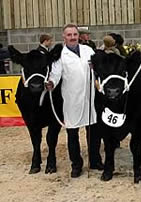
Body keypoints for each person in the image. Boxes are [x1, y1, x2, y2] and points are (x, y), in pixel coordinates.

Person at [46, 23, 103, 178]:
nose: (72, 37)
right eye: (69, 35)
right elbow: (55, 74)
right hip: (72, 99)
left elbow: (99, 67)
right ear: (64, 37)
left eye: (74, 35)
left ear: (78, 36)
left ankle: (95, 160)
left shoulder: (88, 50)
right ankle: (76, 165)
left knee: (93, 132)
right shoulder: (61, 56)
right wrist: (51, 82)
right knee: (73, 133)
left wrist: (96, 66)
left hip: (89, 97)